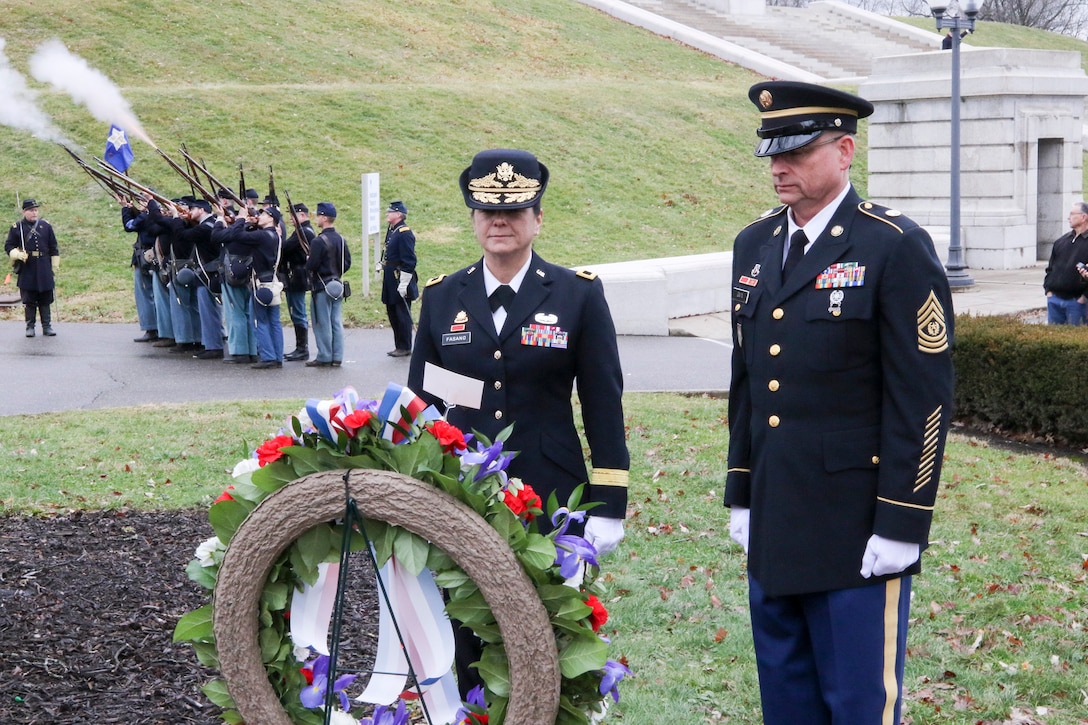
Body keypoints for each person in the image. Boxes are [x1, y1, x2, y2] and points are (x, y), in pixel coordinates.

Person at [724, 81, 956, 725]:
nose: (778, 165)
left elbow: (924, 397)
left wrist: (904, 520)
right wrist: (741, 491)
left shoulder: (891, 244)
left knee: (857, 706)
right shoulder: (755, 243)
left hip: (856, 527)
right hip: (775, 517)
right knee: (787, 703)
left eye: (796, 151)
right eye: (771, 150)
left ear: (846, 149)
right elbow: (748, 379)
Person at [408, 148, 630, 695]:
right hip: (463, 492)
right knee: (467, 624)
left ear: (538, 218)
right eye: (487, 212)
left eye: (514, 211)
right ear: (473, 219)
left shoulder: (577, 294)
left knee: (548, 630)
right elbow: (422, 402)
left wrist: (609, 506)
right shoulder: (440, 298)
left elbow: (603, 403)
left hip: (551, 492)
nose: (499, 222)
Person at [304, 202, 350, 367]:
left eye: (318, 215)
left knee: (322, 322)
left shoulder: (318, 241)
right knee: (336, 322)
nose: (316, 218)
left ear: (324, 218)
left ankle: (324, 355)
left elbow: (311, 266)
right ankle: (337, 356)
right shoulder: (341, 239)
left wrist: (308, 262)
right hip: (337, 284)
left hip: (322, 286)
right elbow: (347, 263)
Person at [5, 198, 59, 337]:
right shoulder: (17, 228)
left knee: (45, 298)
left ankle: (47, 326)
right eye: (31, 210)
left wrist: (55, 264)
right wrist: (17, 254)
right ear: (24, 212)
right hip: (28, 266)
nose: (34, 213)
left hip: (44, 266)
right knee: (29, 299)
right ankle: (30, 327)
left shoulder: (46, 226)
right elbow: (8, 246)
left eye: (36, 210)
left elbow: (53, 247)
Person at [380, 200, 418, 357]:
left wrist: (404, 283)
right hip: (390, 274)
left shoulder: (404, 233)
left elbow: (409, 260)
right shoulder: (393, 230)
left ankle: (405, 346)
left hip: (399, 276)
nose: (387, 214)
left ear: (398, 214)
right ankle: (399, 345)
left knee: (402, 313)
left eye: (390, 212)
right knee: (392, 311)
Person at [1042, 200, 1088, 325]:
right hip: (1054, 300)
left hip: (1078, 303)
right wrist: (1048, 290)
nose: (1069, 217)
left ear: (1084, 217)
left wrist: (1084, 298)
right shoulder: (1061, 242)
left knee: (1076, 341)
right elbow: (1050, 268)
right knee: (1054, 340)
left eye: (1072, 214)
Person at [120, 194, 159, 343]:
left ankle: (151, 328)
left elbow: (129, 226)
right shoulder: (153, 215)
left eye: (143, 200)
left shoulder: (145, 217)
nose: (141, 203)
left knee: (145, 294)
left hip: (145, 258)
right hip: (153, 256)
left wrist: (126, 209)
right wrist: (129, 209)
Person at [281, 202, 315, 361]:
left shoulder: (304, 232)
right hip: (295, 275)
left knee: (298, 312)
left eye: (293, 216)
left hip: (298, 275)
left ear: (302, 215)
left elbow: (286, 248)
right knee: (296, 311)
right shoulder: (302, 231)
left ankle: (302, 349)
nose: (290, 219)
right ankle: (300, 347)